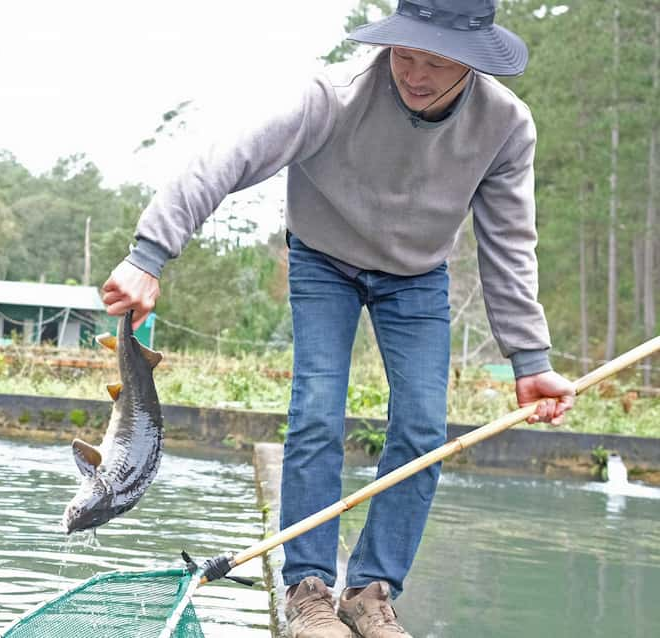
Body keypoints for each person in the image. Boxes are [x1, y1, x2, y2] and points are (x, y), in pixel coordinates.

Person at [100, 1, 576, 636]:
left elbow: (510, 245)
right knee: (318, 410)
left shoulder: (506, 126)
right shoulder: (334, 96)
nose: (416, 73)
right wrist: (149, 255)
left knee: (421, 427)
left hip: (417, 276)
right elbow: (225, 158)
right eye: (406, 54)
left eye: (437, 62)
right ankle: (309, 589)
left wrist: (530, 359)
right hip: (323, 257)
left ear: (473, 61)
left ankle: (371, 590)